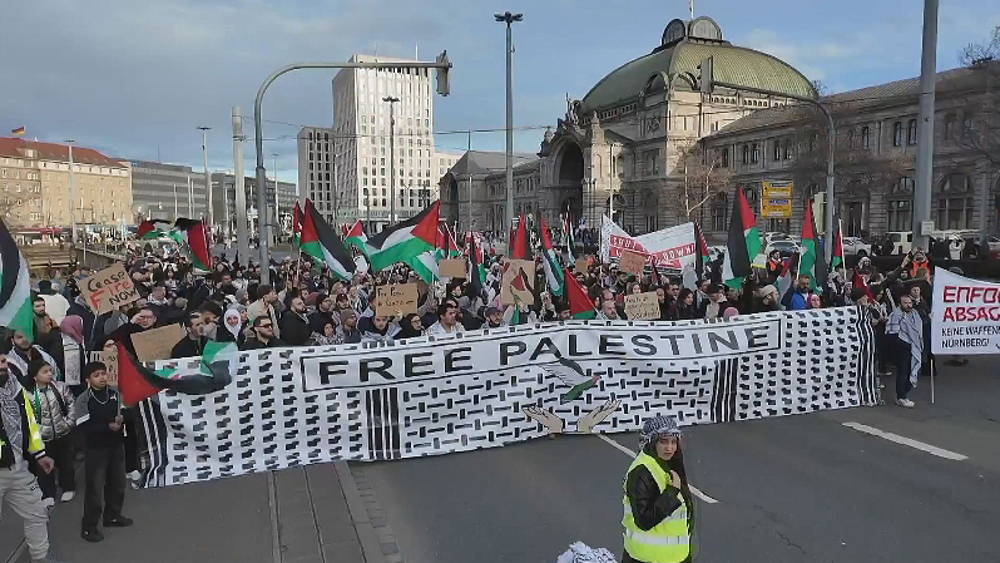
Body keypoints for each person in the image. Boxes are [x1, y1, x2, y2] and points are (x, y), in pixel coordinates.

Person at [0, 354, 67, 563]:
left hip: (18, 467)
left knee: (37, 512)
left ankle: (40, 557)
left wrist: (39, 453)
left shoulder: (15, 388)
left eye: (3, 359)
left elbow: (29, 422)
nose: (3, 364)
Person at [74, 361, 132, 543]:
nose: (102, 378)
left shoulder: (114, 394)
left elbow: (129, 412)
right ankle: (89, 527)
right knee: (95, 489)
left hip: (116, 446)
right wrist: (108, 427)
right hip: (96, 449)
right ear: (88, 379)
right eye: (96, 375)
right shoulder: (84, 399)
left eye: (103, 373)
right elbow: (83, 426)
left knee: (118, 483)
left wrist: (124, 418)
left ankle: (113, 516)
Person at [622, 415, 693, 563]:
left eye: (674, 442)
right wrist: (671, 493)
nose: (670, 448)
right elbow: (644, 520)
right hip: (647, 558)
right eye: (664, 442)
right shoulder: (641, 472)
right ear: (651, 442)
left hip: (675, 557)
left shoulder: (668, 464)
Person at [24, 361, 76, 506]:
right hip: (43, 437)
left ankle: (68, 487)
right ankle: (47, 492)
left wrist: (68, 423)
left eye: (50, 371)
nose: (49, 374)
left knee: (66, 460)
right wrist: (37, 432)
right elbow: (29, 416)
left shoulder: (60, 387)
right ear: (35, 376)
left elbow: (71, 403)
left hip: (62, 431)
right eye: (45, 372)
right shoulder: (29, 394)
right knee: (44, 465)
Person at [885, 295, 923, 408]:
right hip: (902, 349)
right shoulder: (896, 315)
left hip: (914, 347)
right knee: (903, 372)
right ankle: (901, 396)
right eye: (905, 303)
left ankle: (904, 393)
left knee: (913, 370)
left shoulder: (914, 314)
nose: (908, 305)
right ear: (900, 304)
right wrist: (905, 344)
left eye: (910, 302)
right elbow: (892, 334)